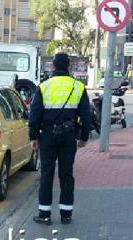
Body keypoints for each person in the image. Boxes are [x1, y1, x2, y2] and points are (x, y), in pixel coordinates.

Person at [28, 52, 91, 225]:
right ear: (69, 67)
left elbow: (35, 114)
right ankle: (66, 214)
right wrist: (83, 137)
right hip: (69, 136)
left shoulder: (44, 86)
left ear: (53, 66)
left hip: (47, 136)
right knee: (66, 174)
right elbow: (86, 115)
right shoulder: (78, 87)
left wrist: (33, 136)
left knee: (47, 174)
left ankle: (44, 214)